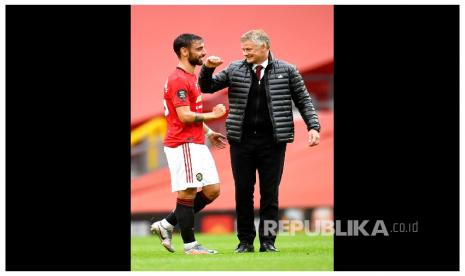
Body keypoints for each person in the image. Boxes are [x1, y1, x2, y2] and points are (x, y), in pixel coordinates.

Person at [198, 29, 321, 253]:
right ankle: (245, 242)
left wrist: (313, 127)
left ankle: (268, 242)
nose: (245, 53)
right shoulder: (234, 68)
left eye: (249, 49)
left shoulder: (288, 70)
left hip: (273, 142)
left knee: (270, 192)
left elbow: (304, 101)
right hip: (241, 141)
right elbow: (206, 87)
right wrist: (208, 68)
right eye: (243, 49)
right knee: (243, 191)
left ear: (264, 47)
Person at [151, 33, 227, 255]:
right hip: (182, 143)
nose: (204, 52)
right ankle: (190, 246)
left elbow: (191, 113)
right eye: (199, 48)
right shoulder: (178, 80)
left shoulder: (190, 76)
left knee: (212, 190)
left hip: (197, 141)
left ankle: (166, 224)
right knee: (188, 193)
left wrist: (209, 131)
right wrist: (213, 115)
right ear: (185, 51)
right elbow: (184, 116)